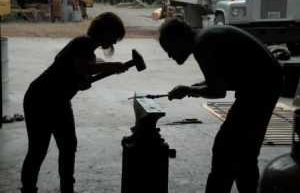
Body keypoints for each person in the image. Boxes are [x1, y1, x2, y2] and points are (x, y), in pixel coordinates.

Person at [158, 18, 284, 193]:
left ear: (179, 39)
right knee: (245, 152)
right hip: (266, 84)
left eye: (169, 49)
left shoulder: (203, 45)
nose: (170, 56)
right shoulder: (206, 37)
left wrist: (189, 89)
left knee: (226, 148)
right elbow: (218, 80)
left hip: (260, 88)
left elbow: (218, 91)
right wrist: (191, 89)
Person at [21, 12, 128, 193]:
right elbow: (82, 67)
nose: (115, 42)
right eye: (114, 35)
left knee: (68, 145)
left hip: (60, 101)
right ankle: (29, 189)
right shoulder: (82, 42)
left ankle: (67, 189)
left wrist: (82, 83)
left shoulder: (90, 53)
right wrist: (111, 66)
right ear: (103, 30)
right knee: (38, 149)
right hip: (41, 98)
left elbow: (78, 75)